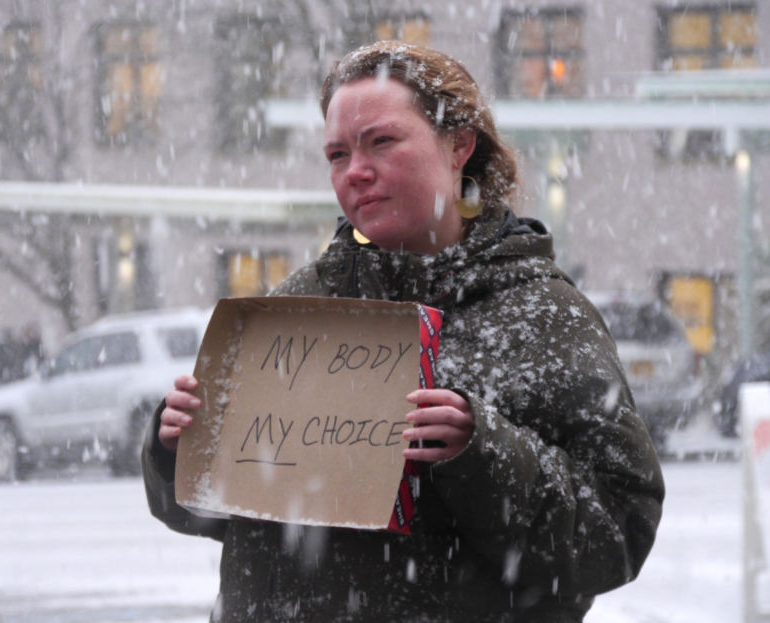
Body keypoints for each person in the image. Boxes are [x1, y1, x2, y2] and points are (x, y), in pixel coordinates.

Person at [142, 40, 664, 622]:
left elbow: (617, 534)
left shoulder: (544, 317)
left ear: (459, 145)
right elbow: (214, 514)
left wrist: (482, 452)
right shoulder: (295, 307)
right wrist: (178, 450)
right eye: (337, 154)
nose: (356, 172)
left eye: (381, 142)